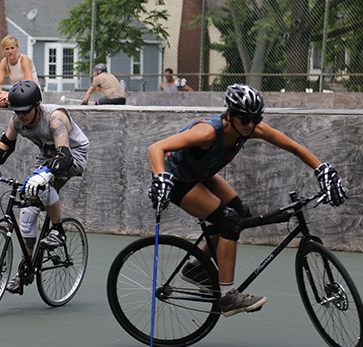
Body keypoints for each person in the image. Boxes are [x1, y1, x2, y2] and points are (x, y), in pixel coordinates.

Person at [146, 84, 347, 316]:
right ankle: (228, 296)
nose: (250, 125)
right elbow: (156, 147)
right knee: (229, 221)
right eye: (244, 119)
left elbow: (293, 146)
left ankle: (195, 267)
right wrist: (161, 178)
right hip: (178, 179)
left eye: (255, 119)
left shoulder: (251, 129)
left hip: (202, 175)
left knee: (240, 214)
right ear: (229, 115)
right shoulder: (208, 132)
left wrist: (323, 169)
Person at [0, 80, 90, 294]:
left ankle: (58, 231)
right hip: (47, 155)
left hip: (72, 154)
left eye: (25, 112)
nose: (21, 116)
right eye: (17, 111)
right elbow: (6, 145)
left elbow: (64, 157)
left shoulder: (55, 118)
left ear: (37, 105)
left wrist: (45, 174)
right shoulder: (17, 120)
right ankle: (26, 268)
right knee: (28, 207)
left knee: (42, 187)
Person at [0, 35, 39, 107]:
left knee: (13, 96)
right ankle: (4, 100)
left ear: (17, 48)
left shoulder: (23, 59)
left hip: (30, 92)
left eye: (12, 48)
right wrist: (0, 94)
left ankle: (7, 100)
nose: (10, 51)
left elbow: (29, 83)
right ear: (3, 50)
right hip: (15, 93)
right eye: (7, 49)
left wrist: (8, 95)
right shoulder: (4, 62)